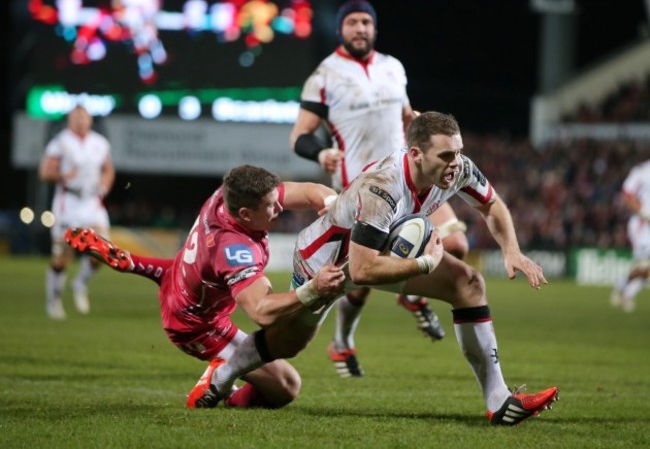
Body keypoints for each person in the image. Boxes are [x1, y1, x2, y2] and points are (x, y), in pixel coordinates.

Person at [193, 111, 558, 426]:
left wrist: (512, 250)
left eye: (458, 152)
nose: (456, 163)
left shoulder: (458, 168)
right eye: (446, 155)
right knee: (288, 344)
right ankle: (222, 377)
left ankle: (499, 401)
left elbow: (492, 204)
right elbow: (363, 271)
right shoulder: (382, 188)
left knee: (468, 284)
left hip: (379, 249)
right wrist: (424, 263)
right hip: (326, 260)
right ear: (415, 154)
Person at [64, 165, 346, 409]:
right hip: (195, 324)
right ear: (246, 214)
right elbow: (262, 312)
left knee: (272, 331)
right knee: (286, 385)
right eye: (272, 206)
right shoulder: (235, 248)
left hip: (181, 278)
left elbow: (310, 191)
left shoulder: (230, 195)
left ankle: (133, 263)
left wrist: (332, 204)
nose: (280, 208)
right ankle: (220, 389)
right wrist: (314, 289)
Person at [289, 0, 469, 377]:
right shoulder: (324, 75)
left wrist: (417, 120)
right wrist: (320, 153)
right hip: (364, 187)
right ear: (341, 28)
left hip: (411, 176)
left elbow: (406, 115)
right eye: (352, 22)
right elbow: (299, 136)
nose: (360, 29)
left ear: (374, 28)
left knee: (456, 243)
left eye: (366, 23)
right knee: (360, 279)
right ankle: (341, 342)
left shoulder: (393, 68)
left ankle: (412, 293)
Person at [39, 105, 115, 320]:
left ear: (90, 120)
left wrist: (104, 186)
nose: (81, 121)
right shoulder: (61, 142)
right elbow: (45, 172)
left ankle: (80, 283)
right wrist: (62, 176)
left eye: (84, 117)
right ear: (70, 120)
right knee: (61, 258)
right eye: (77, 117)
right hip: (68, 203)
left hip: (92, 203)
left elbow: (108, 169)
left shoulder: (100, 143)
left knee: (103, 251)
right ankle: (53, 299)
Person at [611, 159, 650, 312]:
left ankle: (622, 291)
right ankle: (623, 293)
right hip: (642, 226)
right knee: (644, 266)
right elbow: (626, 196)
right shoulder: (642, 171)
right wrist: (645, 213)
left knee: (645, 268)